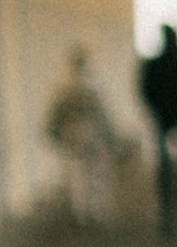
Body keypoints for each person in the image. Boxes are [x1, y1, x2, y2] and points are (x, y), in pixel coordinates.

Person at [42, 47, 120, 224]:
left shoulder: (65, 88)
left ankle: (82, 212)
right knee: (97, 173)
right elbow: (104, 115)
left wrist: (53, 132)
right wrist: (110, 135)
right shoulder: (95, 86)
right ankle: (97, 210)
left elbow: (56, 113)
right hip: (95, 135)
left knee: (79, 174)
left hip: (74, 135)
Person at [137, 23, 177, 234]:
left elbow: (146, 90)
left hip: (166, 119)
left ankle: (171, 205)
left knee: (168, 164)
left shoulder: (157, 64)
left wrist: (158, 111)